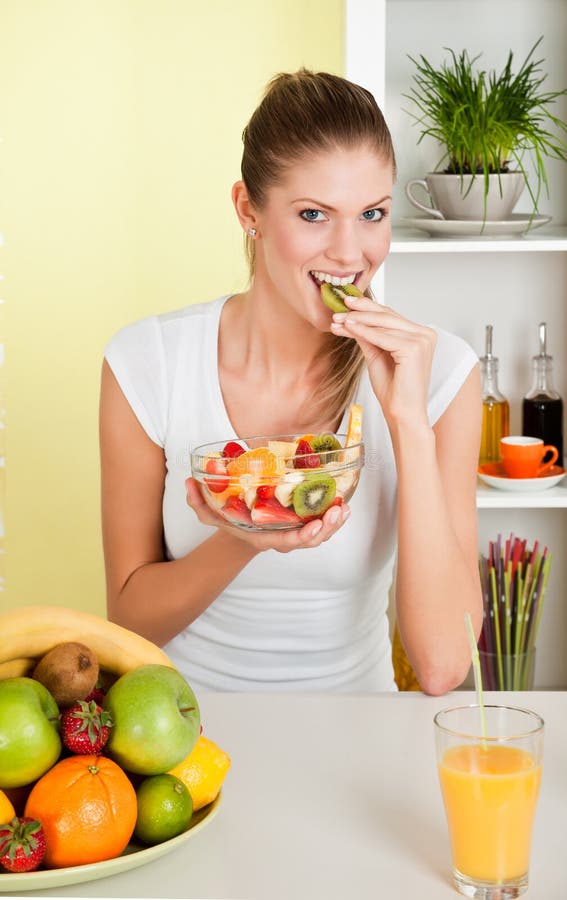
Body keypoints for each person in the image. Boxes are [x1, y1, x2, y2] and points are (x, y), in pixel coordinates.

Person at [100, 69, 482, 695]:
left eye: (372, 214)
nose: (349, 252)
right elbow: (130, 619)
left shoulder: (441, 373)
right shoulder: (149, 361)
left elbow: (443, 666)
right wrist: (247, 540)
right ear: (249, 209)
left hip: (358, 734)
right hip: (180, 739)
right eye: (313, 214)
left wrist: (408, 423)